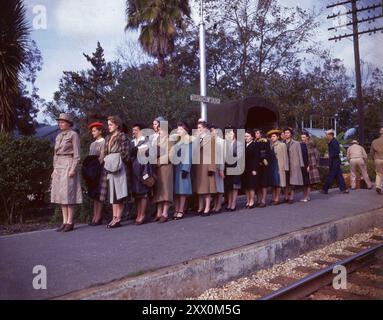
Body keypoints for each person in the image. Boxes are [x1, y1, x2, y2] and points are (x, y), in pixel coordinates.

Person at [51, 113, 83, 232]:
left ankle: (70, 221)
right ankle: (64, 221)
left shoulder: (73, 135)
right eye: (59, 122)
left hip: (68, 163)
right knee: (61, 195)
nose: (60, 123)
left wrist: (73, 168)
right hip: (59, 165)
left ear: (68, 123)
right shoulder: (58, 136)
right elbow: (55, 154)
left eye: (63, 122)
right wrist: (54, 169)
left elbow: (77, 154)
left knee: (68, 194)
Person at [100, 116, 130, 229]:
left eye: (111, 124)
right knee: (112, 194)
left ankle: (118, 218)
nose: (109, 127)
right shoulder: (108, 137)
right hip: (109, 167)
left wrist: (115, 160)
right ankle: (114, 217)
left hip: (119, 167)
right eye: (108, 124)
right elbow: (105, 153)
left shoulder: (122, 136)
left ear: (117, 125)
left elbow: (126, 153)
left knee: (119, 193)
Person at [82, 122, 105, 226]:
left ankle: (98, 217)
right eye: (92, 131)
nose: (93, 133)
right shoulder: (92, 144)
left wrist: (95, 168)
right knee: (94, 195)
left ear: (100, 131)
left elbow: (102, 157)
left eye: (95, 130)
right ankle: (94, 216)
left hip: (99, 170)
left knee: (99, 194)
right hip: (91, 171)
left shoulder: (103, 142)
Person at [151, 117, 174, 223]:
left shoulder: (169, 139)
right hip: (157, 168)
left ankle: (165, 212)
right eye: (158, 129)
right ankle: (158, 212)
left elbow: (171, 156)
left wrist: (158, 162)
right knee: (158, 190)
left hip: (165, 168)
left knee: (166, 189)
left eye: (161, 128)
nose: (159, 130)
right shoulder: (157, 140)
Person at [192, 121, 217, 216]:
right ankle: (200, 207)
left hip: (206, 165)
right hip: (198, 166)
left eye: (200, 127)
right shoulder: (198, 139)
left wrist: (211, 168)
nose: (198, 129)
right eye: (198, 128)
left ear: (205, 128)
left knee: (207, 188)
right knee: (200, 188)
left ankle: (207, 208)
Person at [130, 123, 152, 225]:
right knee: (137, 193)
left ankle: (142, 214)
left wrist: (138, 150)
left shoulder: (145, 140)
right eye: (133, 130)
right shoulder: (132, 142)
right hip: (133, 168)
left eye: (136, 130)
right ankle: (138, 213)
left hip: (143, 168)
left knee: (143, 192)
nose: (134, 132)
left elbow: (147, 153)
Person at [171, 122, 193, 220]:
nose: (178, 131)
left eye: (180, 129)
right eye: (178, 129)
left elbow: (189, 155)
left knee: (183, 190)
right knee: (176, 190)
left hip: (183, 166)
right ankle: (176, 209)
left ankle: (181, 210)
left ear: (185, 130)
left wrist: (186, 168)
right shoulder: (178, 140)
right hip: (176, 166)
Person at [321, 130, 349, 194]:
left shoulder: (334, 142)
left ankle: (325, 189)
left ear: (330, 135)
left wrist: (329, 155)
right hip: (334, 162)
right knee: (339, 176)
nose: (326, 136)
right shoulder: (332, 141)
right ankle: (344, 189)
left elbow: (337, 151)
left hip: (334, 162)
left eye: (327, 135)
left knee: (331, 175)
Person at [283, 128, 305, 204]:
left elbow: (300, 154)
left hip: (294, 164)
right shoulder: (283, 143)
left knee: (292, 182)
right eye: (285, 133)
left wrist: (301, 164)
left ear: (291, 134)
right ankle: (286, 196)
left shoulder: (296, 143)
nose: (286, 134)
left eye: (288, 133)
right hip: (285, 164)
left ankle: (291, 197)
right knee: (286, 181)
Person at [268, 129, 289, 205]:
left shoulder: (282, 145)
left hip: (279, 166)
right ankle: (273, 198)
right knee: (273, 183)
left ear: (277, 137)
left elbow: (285, 157)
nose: (272, 138)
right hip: (272, 166)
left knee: (279, 183)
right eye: (271, 137)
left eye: (273, 136)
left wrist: (286, 167)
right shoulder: (270, 145)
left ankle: (277, 198)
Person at [224, 127, 243, 211]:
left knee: (235, 186)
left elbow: (240, 156)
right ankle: (229, 202)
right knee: (229, 186)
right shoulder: (226, 144)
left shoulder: (238, 144)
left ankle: (233, 203)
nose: (230, 135)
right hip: (227, 167)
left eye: (231, 133)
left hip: (235, 167)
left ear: (234, 134)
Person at [300, 132, 321, 202]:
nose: (302, 139)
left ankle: (307, 196)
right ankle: (304, 196)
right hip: (302, 164)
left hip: (309, 164)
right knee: (303, 182)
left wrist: (310, 165)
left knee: (308, 181)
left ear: (307, 137)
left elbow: (316, 155)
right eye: (301, 137)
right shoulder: (300, 144)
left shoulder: (311, 145)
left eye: (303, 137)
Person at [210, 124, 225, 213]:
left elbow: (222, 156)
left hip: (219, 166)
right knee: (214, 187)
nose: (211, 132)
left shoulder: (221, 142)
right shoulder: (211, 141)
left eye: (212, 130)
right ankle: (215, 204)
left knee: (219, 187)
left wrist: (222, 169)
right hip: (212, 166)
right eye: (210, 131)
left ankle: (219, 204)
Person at [254, 129, 272, 207]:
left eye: (258, 133)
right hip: (256, 165)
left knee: (264, 184)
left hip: (263, 165)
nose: (256, 134)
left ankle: (263, 200)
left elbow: (267, 152)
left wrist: (264, 159)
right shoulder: (254, 142)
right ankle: (259, 200)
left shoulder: (265, 141)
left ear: (261, 134)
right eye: (255, 133)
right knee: (258, 184)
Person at [241, 130, 258, 209]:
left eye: (247, 136)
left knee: (251, 186)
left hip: (251, 168)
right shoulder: (243, 145)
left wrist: (254, 169)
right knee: (246, 186)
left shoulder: (255, 145)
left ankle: (252, 201)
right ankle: (248, 201)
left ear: (252, 137)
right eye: (245, 136)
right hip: (244, 168)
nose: (246, 138)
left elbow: (256, 158)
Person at [370, 127, 383, 194]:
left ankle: (378, 186)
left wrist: (373, 159)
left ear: (380, 132)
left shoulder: (374, 141)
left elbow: (371, 153)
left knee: (379, 174)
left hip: (378, 160)